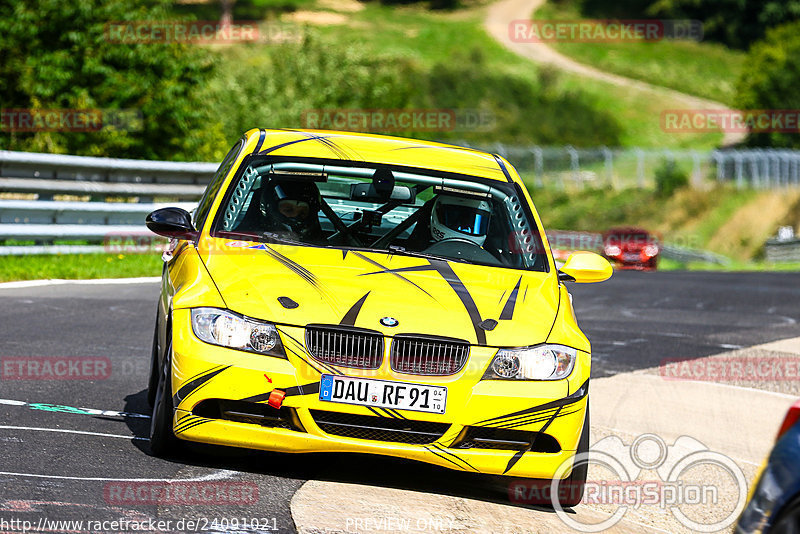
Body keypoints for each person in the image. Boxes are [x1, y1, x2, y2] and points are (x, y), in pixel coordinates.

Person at [259, 178, 324, 242]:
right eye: (288, 210)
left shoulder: (319, 243)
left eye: (302, 213)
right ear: (272, 210)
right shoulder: (253, 240)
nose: (295, 216)